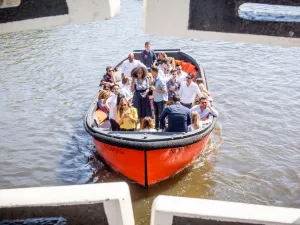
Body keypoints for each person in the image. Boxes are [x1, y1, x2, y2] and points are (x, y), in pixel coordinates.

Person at [150, 65, 168, 130]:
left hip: (161, 100)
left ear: (155, 72)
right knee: (156, 115)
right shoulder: (154, 79)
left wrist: (155, 90)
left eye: (151, 71)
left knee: (161, 115)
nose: (151, 73)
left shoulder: (161, 80)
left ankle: (163, 128)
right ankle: (157, 127)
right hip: (156, 99)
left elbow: (165, 91)